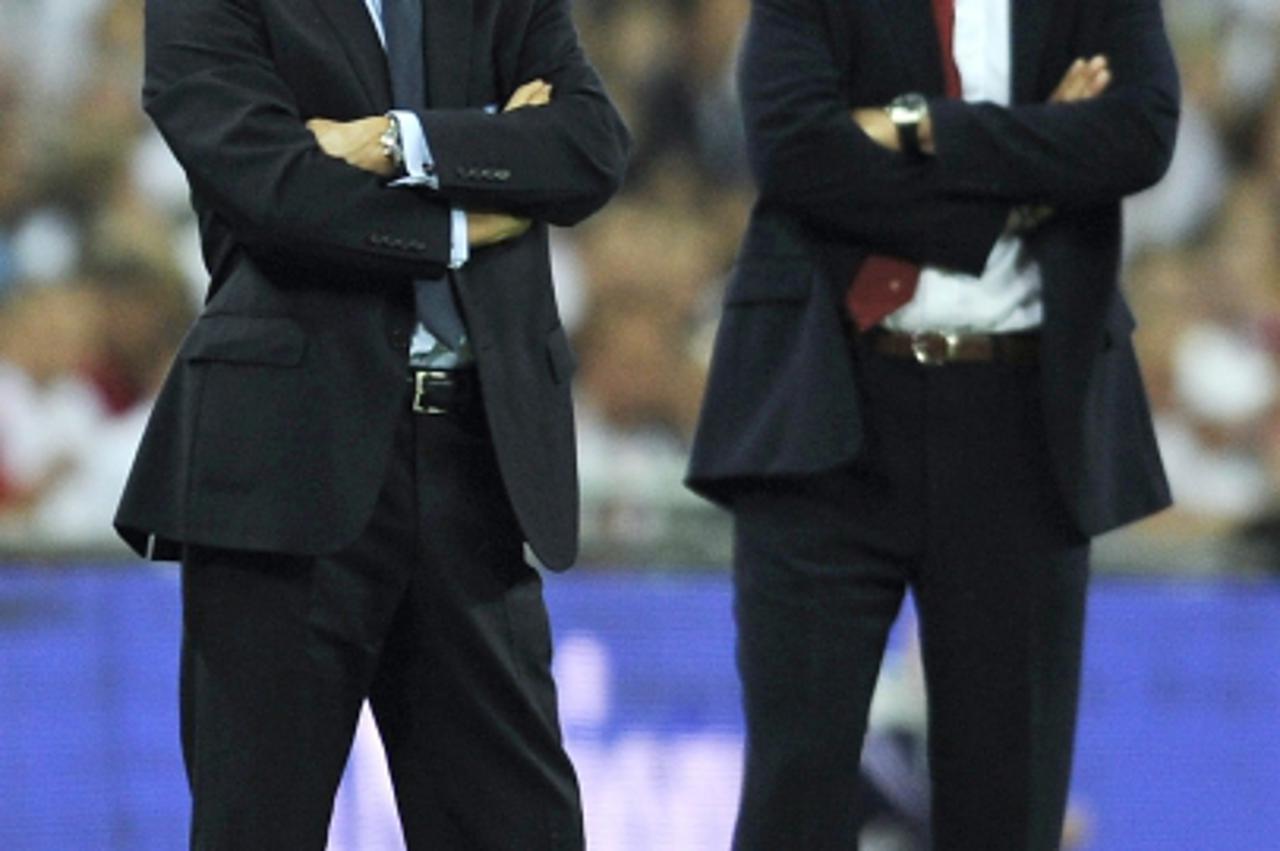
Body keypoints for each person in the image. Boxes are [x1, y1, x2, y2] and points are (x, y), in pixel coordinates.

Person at [114, 0, 629, 847]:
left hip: (479, 464)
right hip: (283, 470)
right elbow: (272, 190)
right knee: (257, 826)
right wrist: (467, 218)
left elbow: (589, 145)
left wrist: (391, 141)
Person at [686, 0, 1179, 848]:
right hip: (829, 412)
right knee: (793, 798)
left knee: (1007, 808)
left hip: (1022, 425)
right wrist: (1017, 184)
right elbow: (792, 147)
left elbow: (1139, 131)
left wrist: (916, 128)